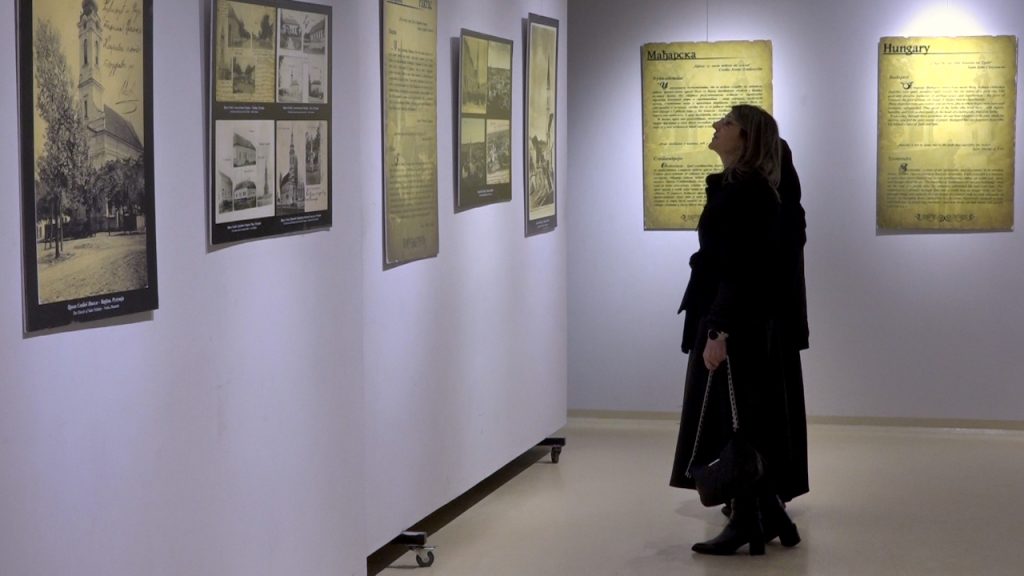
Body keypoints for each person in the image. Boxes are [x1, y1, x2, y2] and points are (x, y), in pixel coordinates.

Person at [668, 105, 808, 556]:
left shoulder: (748, 193)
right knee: (742, 417)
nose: (716, 126)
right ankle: (771, 514)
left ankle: (748, 520)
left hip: (736, 322)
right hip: (736, 318)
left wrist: (719, 330)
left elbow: (742, 269)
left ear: (747, 139)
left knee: (737, 422)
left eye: (726, 123)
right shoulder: (741, 188)